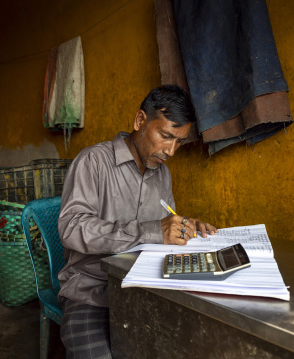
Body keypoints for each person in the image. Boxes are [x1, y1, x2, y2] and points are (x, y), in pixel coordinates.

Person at [57, 84, 218, 358]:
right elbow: (71, 228)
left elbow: (164, 227)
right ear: (140, 121)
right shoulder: (93, 161)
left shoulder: (162, 174)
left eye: (179, 141)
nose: (171, 151)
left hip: (143, 288)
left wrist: (186, 227)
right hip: (91, 291)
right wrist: (151, 231)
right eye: (166, 136)